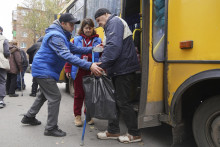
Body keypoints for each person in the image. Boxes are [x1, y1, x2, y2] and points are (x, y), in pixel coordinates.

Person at [21, 13, 103, 137]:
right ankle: (51, 128)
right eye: (71, 24)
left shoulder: (62, 35)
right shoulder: (56, 36)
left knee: (43, 95)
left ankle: (29, 116)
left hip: (44, 69)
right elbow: (66, 55)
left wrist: (92, 49)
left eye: (74, 24)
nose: (73, 27)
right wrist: (88, 65)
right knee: (55, 97)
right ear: (63, 24)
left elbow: (74, 49)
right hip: (44, 70)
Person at [94, 8, 142, 143]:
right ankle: (113, 130)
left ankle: (135, 133)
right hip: (119, 68)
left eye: (99, 20)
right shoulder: (112, 24)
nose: (99, 24)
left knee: (123, 102)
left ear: (105, 15)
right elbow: (112, 45)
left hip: (123, 69)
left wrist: (102, 65)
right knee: (114, 101)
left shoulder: (114, 22)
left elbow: (113, 46)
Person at [65, 18, 102, 127]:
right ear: (82, 28)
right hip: (78, 70)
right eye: (86, 28)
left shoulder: (98, 41)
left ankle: (88, 115)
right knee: (78, 94)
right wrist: (67, 68)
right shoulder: (75, 40)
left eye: (90, 28)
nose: (88, 30)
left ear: (93, 29)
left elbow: (101, 56)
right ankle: (77, 116)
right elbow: (69, 55)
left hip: (92, 70)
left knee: (90, 95)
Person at [0, 26, 10, 108]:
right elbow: (7, 52)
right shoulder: (4, 40)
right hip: (1, 63)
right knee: (2, 81)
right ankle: (0, 100)